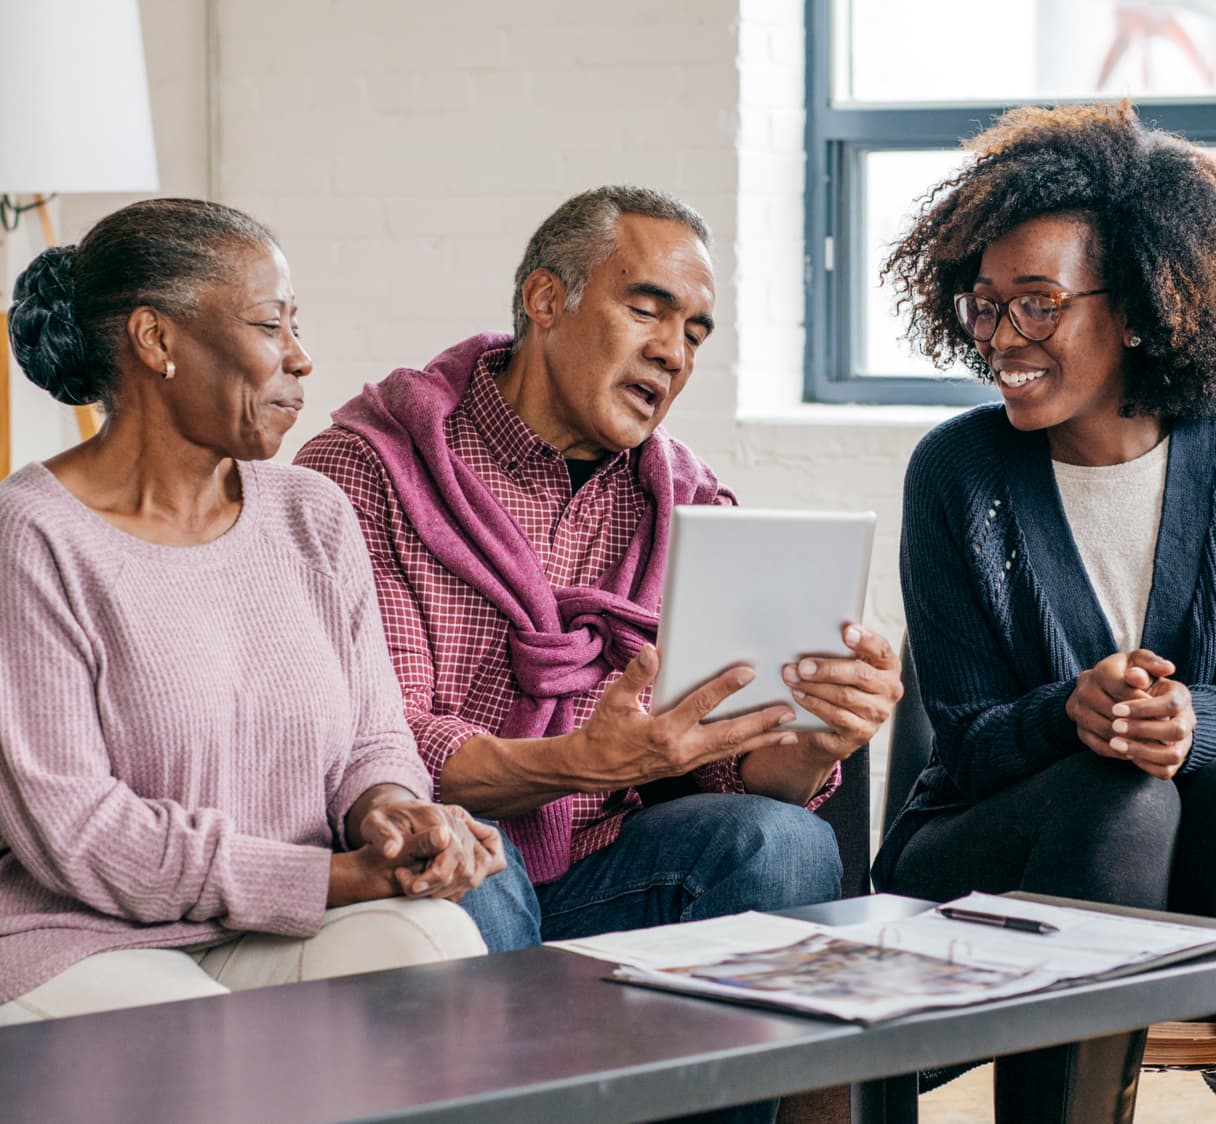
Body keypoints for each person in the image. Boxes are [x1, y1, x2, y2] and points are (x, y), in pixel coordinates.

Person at [296, 185, 903, 955]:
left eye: (694, 333)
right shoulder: (370, 470)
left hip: (600, 865)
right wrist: (577, 763)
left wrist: (816, 739)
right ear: (545, 299)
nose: (673, 353)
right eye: (647, 311)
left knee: (784, 843)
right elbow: (377, 739)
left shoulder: (692, 504)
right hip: (434, 843)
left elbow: (719, 769)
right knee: (470, 865)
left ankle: (695, 1081)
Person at [0, 198, 504, 1026]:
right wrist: (335, 879)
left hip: (264, 926)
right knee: (207, 1047)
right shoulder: (34, 536)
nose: (301, 359)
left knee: (438, 947)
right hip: (80, 937)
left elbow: (373, 738)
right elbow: (78, 829)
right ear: (157, 340)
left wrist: (391, 812)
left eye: (295, 324)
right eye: (271, 325)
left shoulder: (312, 512)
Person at [873, 102, 1216, 1121]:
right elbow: (964, 743)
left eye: (1037, 304)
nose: (1000, 339)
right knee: (1122, 795)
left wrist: (1193, 722)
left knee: (1162, 787)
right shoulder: (958, 470)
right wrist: (1071, 710)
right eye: (984, 305)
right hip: (982, 848)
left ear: (1143, 306)